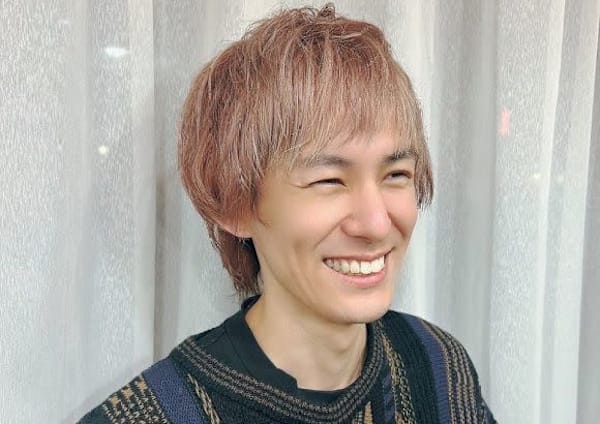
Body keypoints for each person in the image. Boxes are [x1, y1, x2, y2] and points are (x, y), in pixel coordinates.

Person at [80, 4, 496, 423]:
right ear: (235, 204)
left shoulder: (439, 369)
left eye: (396, 174)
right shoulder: (150, 414)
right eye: (329, 180)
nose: (376, 223)